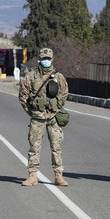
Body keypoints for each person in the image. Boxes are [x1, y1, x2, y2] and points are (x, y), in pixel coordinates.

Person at [19, 48, 69, 186]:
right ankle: (32, 176)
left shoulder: (59, 77)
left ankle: (58, 176)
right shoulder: (31, 76)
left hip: (53, 117)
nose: (46, 60)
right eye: (44, 58)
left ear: (52, 59)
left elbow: (64, 94)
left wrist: (56, 107)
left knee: (56, 147)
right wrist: (32, 112)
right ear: (39, 59)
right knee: (34, 147)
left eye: (48, 58)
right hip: (37, 117)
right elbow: (23, 97)